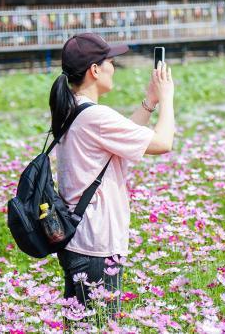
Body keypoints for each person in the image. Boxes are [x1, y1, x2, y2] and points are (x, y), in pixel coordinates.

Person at [48, 33, 175, 319]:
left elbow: (122, 141)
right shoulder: (96, 116)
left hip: (80, 240)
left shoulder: (73, 109)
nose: (114, 68)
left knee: (86, 324)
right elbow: (163, 143)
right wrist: (167, 99)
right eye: (111, 63)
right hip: (95, 244)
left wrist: (150, 102)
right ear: (95, 70)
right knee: (99, 324)